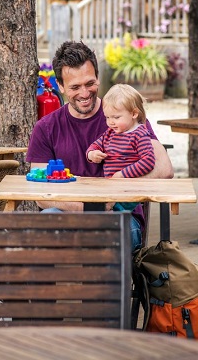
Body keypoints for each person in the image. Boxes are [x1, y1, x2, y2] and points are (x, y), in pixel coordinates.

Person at [26, 41, 173, 252]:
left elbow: (164, 169)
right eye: (75, 87)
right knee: (44, 225)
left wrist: (116, 192)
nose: (85, 93)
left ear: (98, 77)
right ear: (60, 86)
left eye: (90, 83)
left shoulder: (127, 118)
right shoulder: (46, 128)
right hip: (66, 214)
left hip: (120, 216)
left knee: (106, 241)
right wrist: (90, 207)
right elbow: (39, 194)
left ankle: (103, 285)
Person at [86, 83, 156, 212]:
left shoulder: (139, 134)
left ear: (134, 113)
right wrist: (92, 153)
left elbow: (148, 161)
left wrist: (123, 174)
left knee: (110, 210)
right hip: (112, 188)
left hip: (128, 189)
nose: (110, 122)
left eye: (116, 117)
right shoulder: (110, 133)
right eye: (107, 117)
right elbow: (96, 144)